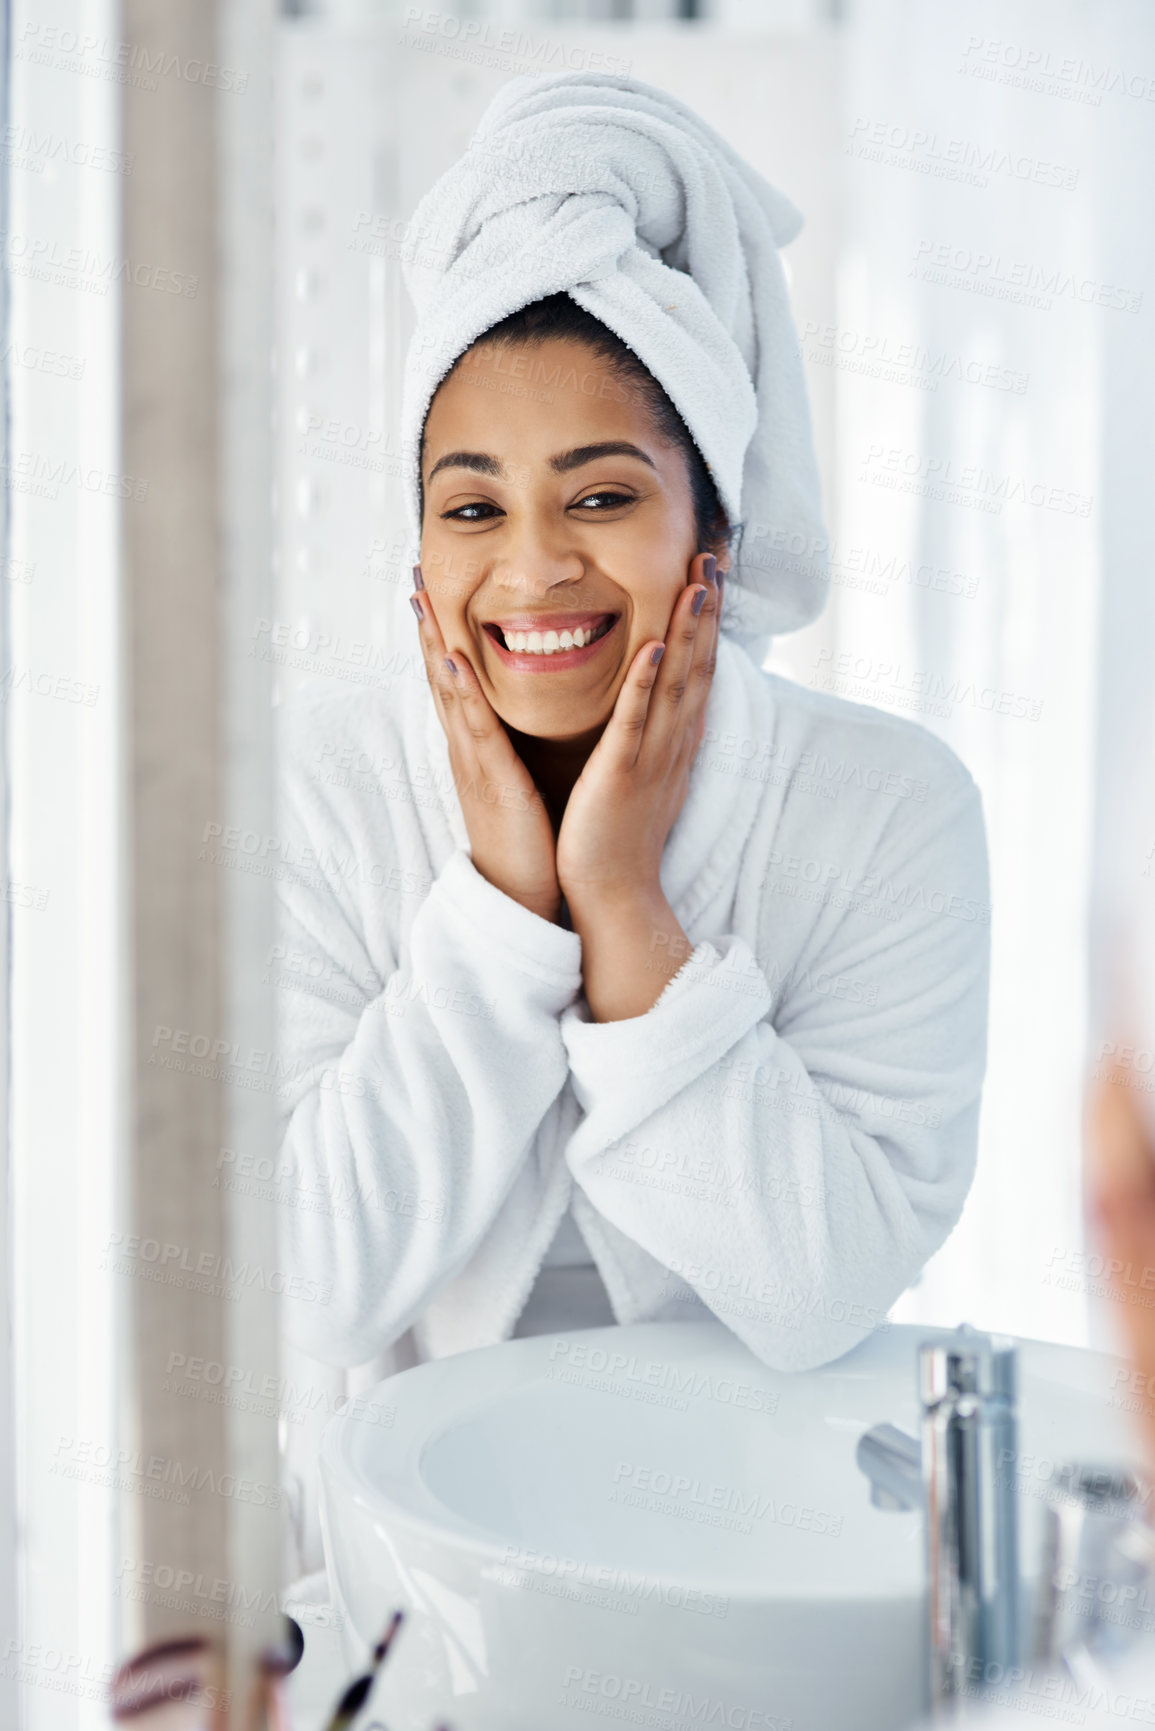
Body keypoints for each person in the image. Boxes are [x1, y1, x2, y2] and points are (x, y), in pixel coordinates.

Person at [271, 73, 989, 1569]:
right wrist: (499, 919)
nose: (533, 571)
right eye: (471, 509)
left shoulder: (888, 814)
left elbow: (818, 1292)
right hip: (415, 1582)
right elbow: (316, 1281)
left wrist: (622, 910)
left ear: (711, 531)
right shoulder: (317, 795)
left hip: (764, 1553)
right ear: (415, 548)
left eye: (600, 497)